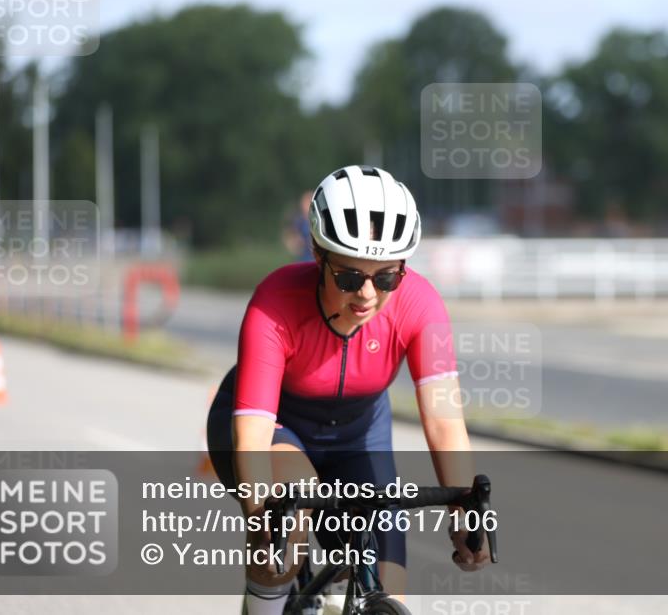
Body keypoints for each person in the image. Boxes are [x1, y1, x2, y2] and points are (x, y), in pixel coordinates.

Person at [206, 165, 488, 615]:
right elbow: (254, 436)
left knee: (388, 591)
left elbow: (444, 423)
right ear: (318, 255)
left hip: (358, 437)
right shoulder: (274, 302)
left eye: (387, 277)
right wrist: (264, 520)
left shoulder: (423, 305)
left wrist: (466, 512)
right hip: (276, 427)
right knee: (284, 535)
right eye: (350, 277)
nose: (368, 295)